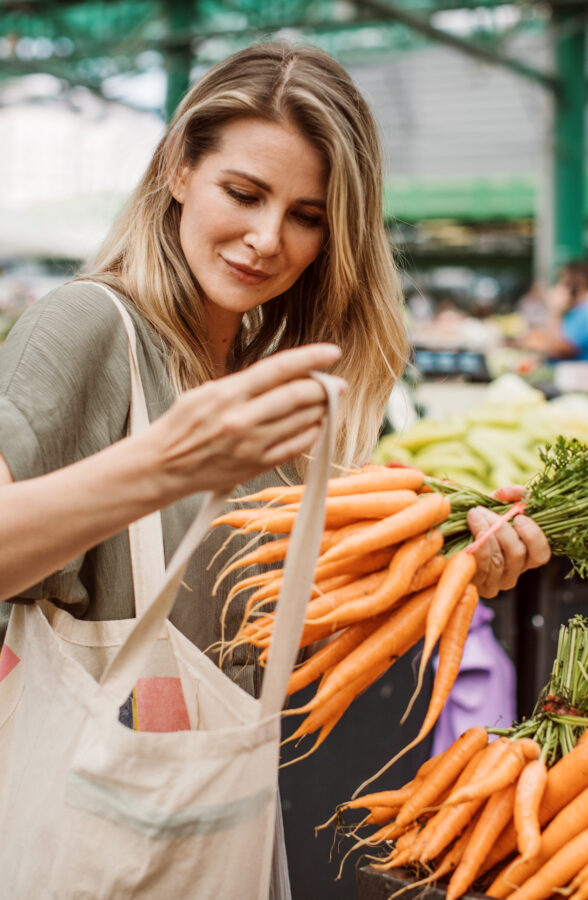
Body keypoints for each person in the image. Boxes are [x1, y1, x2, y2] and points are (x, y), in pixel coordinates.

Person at [0, 40, 550, 896]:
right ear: (179, 171)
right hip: (91, 840)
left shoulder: (270, 378)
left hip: (217, 832)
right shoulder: (89, 327)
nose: (266, 239)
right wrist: (166, 464)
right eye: (244, 193)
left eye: (307, 215)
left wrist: (441, 575)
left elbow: (261, 638)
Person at [521, 260, 588, 361]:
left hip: (573, 374)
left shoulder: (584, 315)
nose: (557, 288)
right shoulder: (572, 312)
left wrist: (555, 312)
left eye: (563, 283)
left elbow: (558, 350)